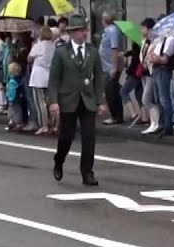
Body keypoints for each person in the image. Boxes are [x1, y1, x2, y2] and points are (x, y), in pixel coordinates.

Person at [47, 14, 105, 186]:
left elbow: (99, 77)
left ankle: (87, 172)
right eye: (79, 30)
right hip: (68, 100)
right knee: (67, 136)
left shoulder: (92, 51)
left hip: (87, 99)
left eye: (84, 30)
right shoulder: (61, 52)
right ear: (71, 33)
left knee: (89, 137)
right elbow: (54, 79)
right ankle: (59, 160)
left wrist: (99, 100)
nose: (83, 33)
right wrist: (53, 101)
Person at [99, 13, 124, 123]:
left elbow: (115, 49)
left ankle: (115, 116)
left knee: (110, 91)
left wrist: (114, 67)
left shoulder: (112, 31)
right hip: (106, 66)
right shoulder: (107, 31)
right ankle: (116, 116)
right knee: (111, 90)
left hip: (110, 67)